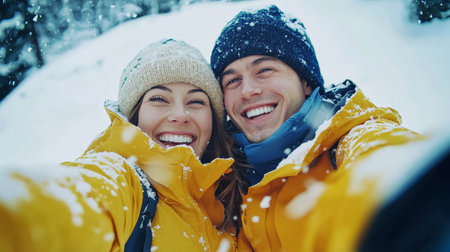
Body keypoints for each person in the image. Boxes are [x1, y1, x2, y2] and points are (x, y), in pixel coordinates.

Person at [210, 5, 427, 252]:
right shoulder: (222, 180)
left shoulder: (348, 141)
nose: (247, 90)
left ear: (306, 83)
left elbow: (388, 160)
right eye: (232, 81)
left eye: (265, 70)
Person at [0, 39, 246, 251]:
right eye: (159, 99)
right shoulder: (123, 185)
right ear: (135, 115)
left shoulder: (229, 199)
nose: (180, 115)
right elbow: (64, 207)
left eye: (196, 102)